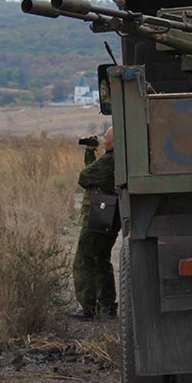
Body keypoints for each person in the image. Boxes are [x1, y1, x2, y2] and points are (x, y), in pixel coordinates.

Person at [71, 127, 120, 319]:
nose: (104, 142)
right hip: (111, 208)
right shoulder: (116, 158)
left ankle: (88, 307)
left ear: (114, 143)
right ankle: (107, 305)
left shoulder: (110, 159)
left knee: (84, 258)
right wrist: (90, 152)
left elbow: (85, 177)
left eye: (107, 140)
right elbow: (94, 174)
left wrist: (95, 154)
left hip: (103, 207)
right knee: (101, 258)